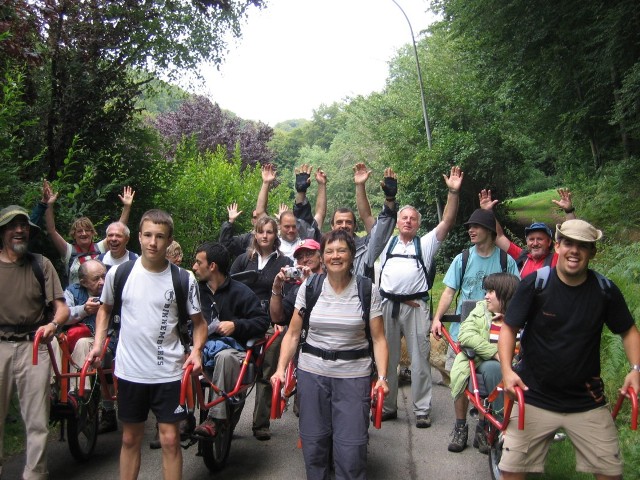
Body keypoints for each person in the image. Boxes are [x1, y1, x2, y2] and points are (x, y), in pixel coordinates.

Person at [498, 219, 640, 479]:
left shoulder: (604, 291)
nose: (575, 251)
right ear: (559, 247)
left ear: (592, 252)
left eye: (583, 246)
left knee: (611, 473)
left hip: (586, 401)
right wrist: (507, 370)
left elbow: (629, 331)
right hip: (534, 397)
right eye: (569, 243)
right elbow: (508, 329)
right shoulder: (535, 285)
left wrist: (635, 369)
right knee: (511, 472)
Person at [87, 209, 207, 480]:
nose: (153, 242)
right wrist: (98, 343)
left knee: (170, 440)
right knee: (130, 439)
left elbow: (199, 323)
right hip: (130, 371)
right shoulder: (119, 274)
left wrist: (197, 351)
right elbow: (104, 310)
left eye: (160, 236)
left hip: (169, 372)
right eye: (148, 235)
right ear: (139, 237)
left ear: (169, 240)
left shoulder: (183, 279)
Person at [271, 229, 389, 480]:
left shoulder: (367, 290)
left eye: (342, 250)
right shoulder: (310, 287)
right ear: (322, 257)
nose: (336, 256)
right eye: (330, 251)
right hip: (312, 375)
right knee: (314, 447)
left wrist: (383, 378)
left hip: (354, 377)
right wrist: (281, 369)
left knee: (352, 450)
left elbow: (379, 338)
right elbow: (292, 334)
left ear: (352, 255)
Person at [379, 166, 463, 428]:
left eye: (412, 219)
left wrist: (452, 192)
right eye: (403, 217)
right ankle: (388, 406)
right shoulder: (386, 243)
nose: (407, 221)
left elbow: (447, 221)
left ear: (418, 223)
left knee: (419, 359)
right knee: (387, 358)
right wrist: (381, 196)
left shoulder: (424, 244)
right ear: (397, 221)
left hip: (416, 307)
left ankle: (422, 409)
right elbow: (369, 218)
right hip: (387, 306)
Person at [430, 207, 519, 452]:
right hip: (465, 329)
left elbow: (516, 294)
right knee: (459, 377)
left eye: (476, 226)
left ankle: (483, 427)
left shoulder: (504, 260)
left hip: (498, 331)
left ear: (489, 231)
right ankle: (460, 426)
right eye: (469, 227)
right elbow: (449, 291)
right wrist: (438, 318)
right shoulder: (463, 259)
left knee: (490, 379)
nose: (471, 230)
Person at [0, 204, 69, 480]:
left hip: (34, 346)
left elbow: (61, 308)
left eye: (24, 226)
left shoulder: (41, 265)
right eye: (13, 227)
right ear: (3, 232)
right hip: (0, 346)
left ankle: (35, 475)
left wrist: (53, 324)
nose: (19, 231)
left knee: (38, 421)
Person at [191, 242, 270, 437]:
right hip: (200, 348)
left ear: (212, 266)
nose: (193, 267)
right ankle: (183, 417)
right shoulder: (194, 291)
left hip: (234, 352)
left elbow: (262, 321)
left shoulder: (241, 292)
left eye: (198, 262)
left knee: (224, 357)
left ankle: (216, 420)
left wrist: (236, 325)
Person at [229, 215, 293, 441]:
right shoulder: (242, 260)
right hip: (243, 320)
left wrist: (281, 318)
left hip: (270, 321)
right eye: (261, 231)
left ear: (275, 235)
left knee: (267, 371)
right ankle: (228, 423)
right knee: (237, 369)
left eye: (269, 231)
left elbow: (290, 294)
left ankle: (260, 424)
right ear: (254, 234)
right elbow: (230, 289)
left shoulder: (285, 262)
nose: (265, 235)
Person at [449, 272, 520, 453]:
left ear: (504, 294)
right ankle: (466, 427)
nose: (486, 296)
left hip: (518, 362)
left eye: (491, 291)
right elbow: (465, 335)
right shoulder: (481, 310)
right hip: (482, 359)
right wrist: (495, 353)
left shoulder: (521, 314)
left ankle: (484, 427)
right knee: (491, 369)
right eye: (486, 291)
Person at [62, 259, 118, 434]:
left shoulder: (115, 291)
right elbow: (62, 315)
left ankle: (78, 394)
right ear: (83, 281)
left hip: (107, 346)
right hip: (75, 343)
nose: (102, 282)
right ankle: (55, 394)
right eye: (96, 279)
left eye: (104, 276)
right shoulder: (72, 292)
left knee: (83, 343)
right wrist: (84, 309)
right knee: (55, 342)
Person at [44, 185, 135, 285]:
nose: (83, 233)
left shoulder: (100, 248)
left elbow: (119, 229)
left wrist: (127, 206)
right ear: (74, 235)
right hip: (76, 299)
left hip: (99, 298)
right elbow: (51, 230)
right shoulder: (68, 251)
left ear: (92, 233)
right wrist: (49, 205)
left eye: (87, 230)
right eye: (79, 231)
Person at [479, 188, 576, 278]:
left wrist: (568, 211)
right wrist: (488, 212)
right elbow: (499, 237)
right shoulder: (521, 256)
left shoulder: (557, 259)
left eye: (540, 239)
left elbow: (572, 239)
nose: (535, 243)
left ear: (549, 242)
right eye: (531, 239)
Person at [327, 163, 398, 280]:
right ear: (332, 226)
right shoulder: (324, 249)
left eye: (348, 222)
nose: (344, 226)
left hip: (361, 298)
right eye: (339, 222)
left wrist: (390, 199)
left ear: (355, 226)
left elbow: (378, 226)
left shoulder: (366, 248)